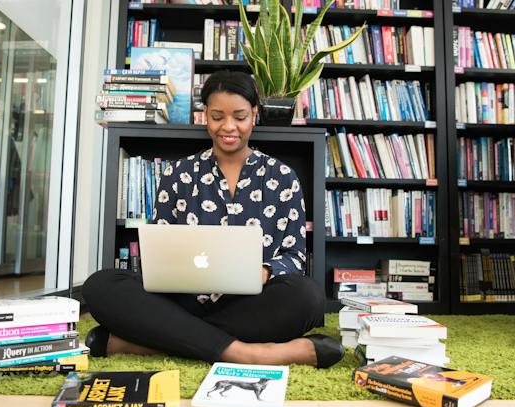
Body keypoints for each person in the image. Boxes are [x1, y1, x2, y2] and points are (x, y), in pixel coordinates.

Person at [83, 70, 344, 368]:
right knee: (99, 286)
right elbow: (160, 249)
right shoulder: (177, 174)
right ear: (204, 114)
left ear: (255, 115)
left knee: (308, 296)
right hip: (180, 301)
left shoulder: (282, 177)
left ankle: (152, 343)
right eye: (218, 116)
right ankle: (251, 353)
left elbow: (295, 256)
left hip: (251, 304)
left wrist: (264, 271)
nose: (228, 126)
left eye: (240, 116)